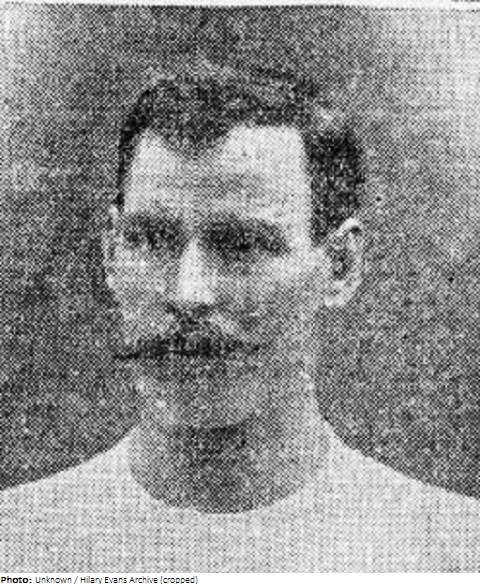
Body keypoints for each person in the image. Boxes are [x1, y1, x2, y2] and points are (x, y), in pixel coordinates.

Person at [1, 68, 480, 572]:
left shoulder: (452, 553)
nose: (188, 294)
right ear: (110, 256)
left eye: (243, 245)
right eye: (151, 240)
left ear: (340, 265)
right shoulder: (19, 545)